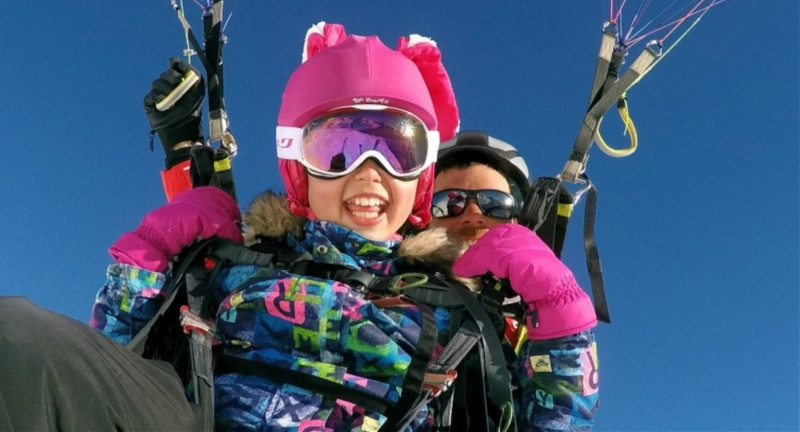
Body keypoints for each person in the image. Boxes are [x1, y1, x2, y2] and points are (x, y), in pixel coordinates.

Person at [430, 131, 600, 431]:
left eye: (495, 204)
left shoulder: (526, 327)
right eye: (448, 203)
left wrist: (559, 308)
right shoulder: (380, 284)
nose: (472, 214)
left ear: (518, 219)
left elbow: (560, 421)